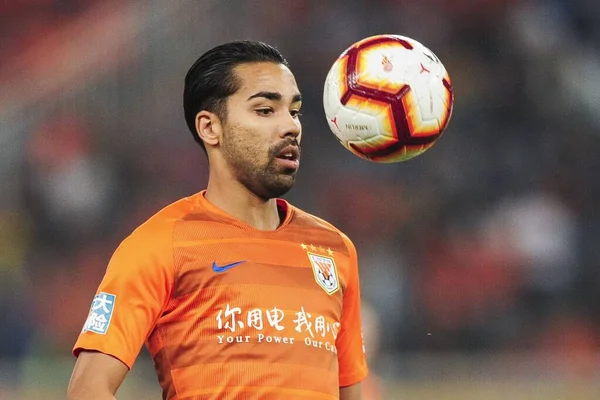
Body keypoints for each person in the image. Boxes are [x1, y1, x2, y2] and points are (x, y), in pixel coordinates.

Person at [67, 40, 368, 400]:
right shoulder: (160, 244)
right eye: (265, 110)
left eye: (294, 111)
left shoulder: (335, 249)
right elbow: (88, 389)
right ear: (210, 128)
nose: (291, 126)